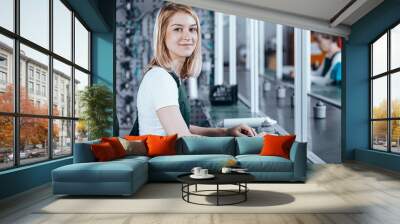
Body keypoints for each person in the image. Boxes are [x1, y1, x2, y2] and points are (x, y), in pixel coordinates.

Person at [130, 3, 257, 138]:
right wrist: (239, 142)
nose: (187, 36)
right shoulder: (160, 78)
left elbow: (182, 127)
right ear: (162, 35)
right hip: (164, 157)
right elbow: (184, 139)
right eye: (178, 29)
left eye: (192, 29)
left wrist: (225, 132)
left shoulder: (169, 76)